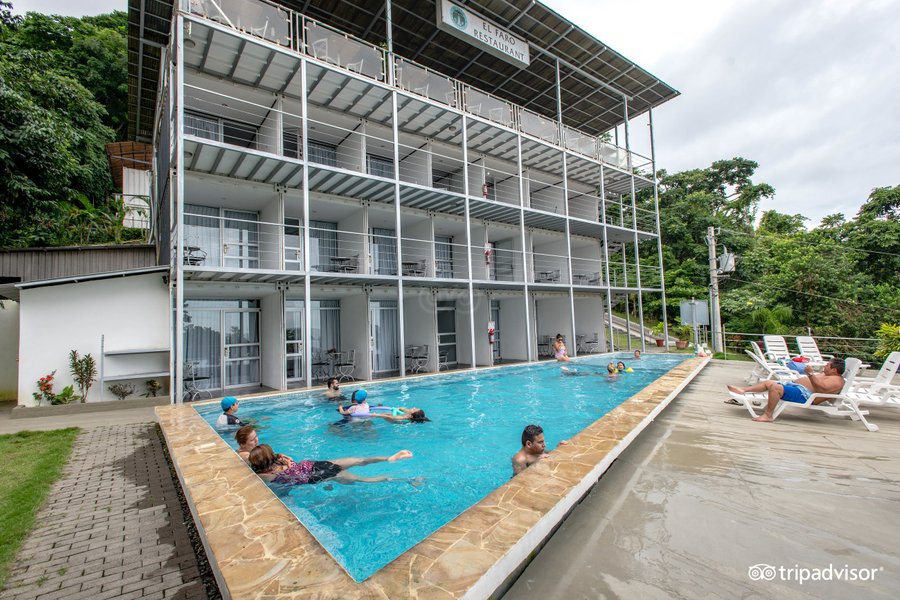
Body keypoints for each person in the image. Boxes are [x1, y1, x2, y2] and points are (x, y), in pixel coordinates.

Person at [726, 357, 846, 423]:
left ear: (834, 370)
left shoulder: (836, 380)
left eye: (827, 365)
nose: (825, 366)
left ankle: (768, 415)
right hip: (798, 389)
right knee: (769, 382)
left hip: (804, 396)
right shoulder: (829, 375)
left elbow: (821, 389)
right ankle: (743, 390)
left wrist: (810, 374)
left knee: (775, 387)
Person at [248, 444, 414, 485]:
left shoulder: (268, 475)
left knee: (362, 480)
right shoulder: (282, 458)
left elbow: (259, 477)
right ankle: (389, 458)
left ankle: (402, 480)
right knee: (359, 460)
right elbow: (289, 459)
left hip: (316, 476)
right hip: (315, 465)